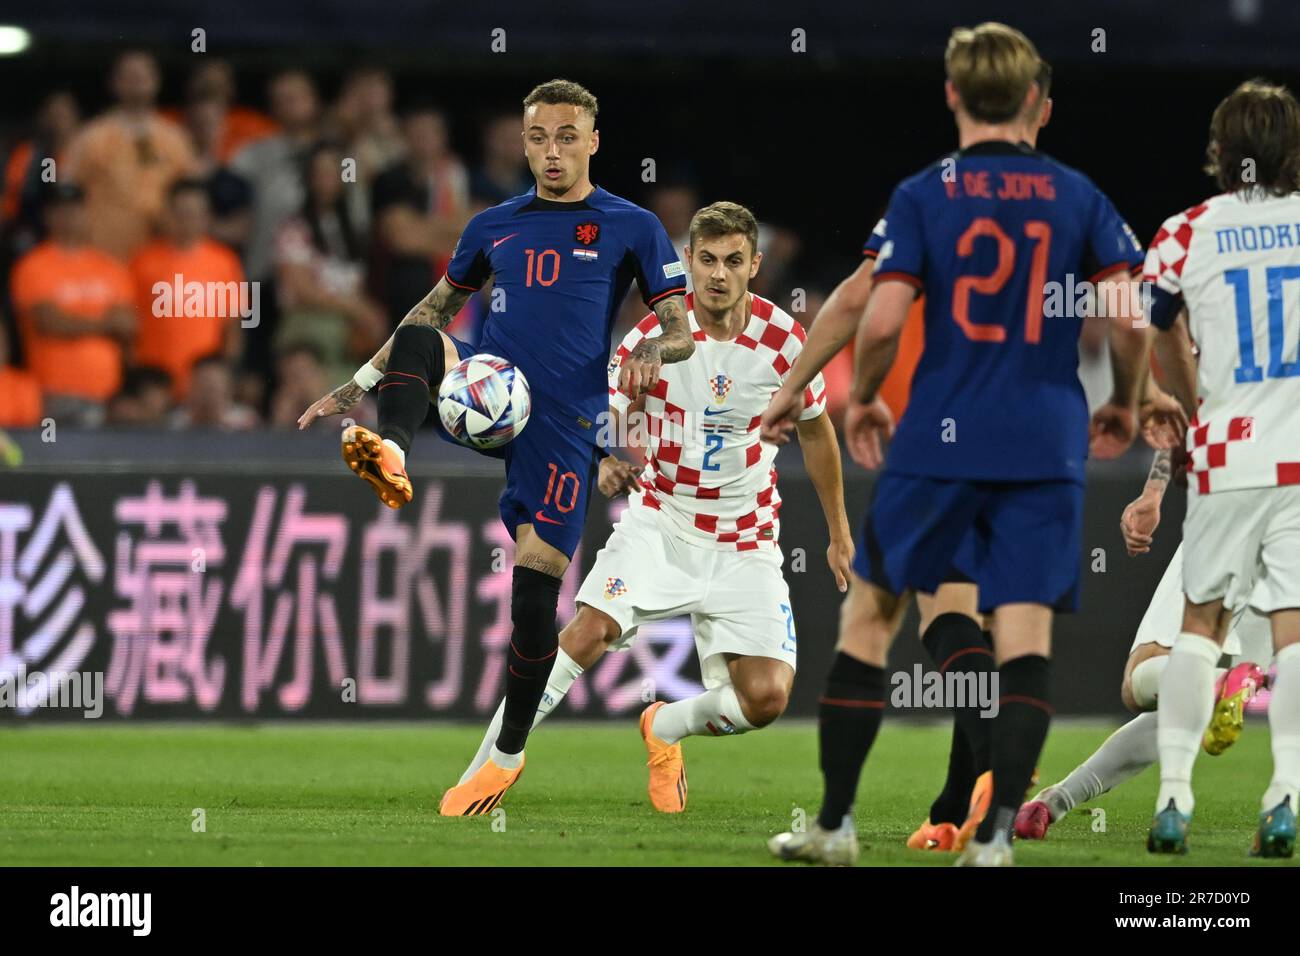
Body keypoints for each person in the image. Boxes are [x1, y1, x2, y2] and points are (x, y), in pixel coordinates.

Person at [762, 23, 1162, 866]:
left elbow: (872, 311)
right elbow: (1130, 319)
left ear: (951, 95)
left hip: (940, 436)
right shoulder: (1077, 195)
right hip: (1044, 443)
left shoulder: (925, 193)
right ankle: (992, 841)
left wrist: (846, 393)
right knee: (1023, 640)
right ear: (1031, 101)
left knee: (869, 621)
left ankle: (834, 825)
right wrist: (1126, 402)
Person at [297, 78, 693, 815]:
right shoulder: (493, 225)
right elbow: (431, 311)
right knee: (421, 334)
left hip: (565, 423)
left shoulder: (631, 225)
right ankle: (395, 453)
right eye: (539, 137)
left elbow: (679, 330)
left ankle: (504, 759)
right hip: (485, 390)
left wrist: (653, 359)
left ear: (594, 142)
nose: (551, 151)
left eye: (567, 137)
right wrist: (356, 385)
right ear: (524, 141)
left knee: (535, 590)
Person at [455, 202, 850, 812]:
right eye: (708, 260)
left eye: (734, 262)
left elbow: (819, 431)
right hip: (661, 520)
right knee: (586, 632)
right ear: (687, 261)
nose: (719, 274)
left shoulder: (784, 341)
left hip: (746, 538)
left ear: (756, 266)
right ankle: (488, 767)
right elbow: (606, 407)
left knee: (766, 699)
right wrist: (609, 454)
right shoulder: (653, 337)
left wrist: (837, 533)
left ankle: (664, 727)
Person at [1143, 79, 1300, 858]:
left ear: (1221, 150)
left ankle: (1173, 799)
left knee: (1198, 628)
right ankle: (1285, 798)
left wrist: (1195, 396)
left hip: (1226, 450)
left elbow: (1161, 330)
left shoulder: (1183, 234)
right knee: (1294, 633)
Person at [1016, 444, 1270, 840]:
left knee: (1143, 679)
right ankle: (1056, 801)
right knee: (1186, 706)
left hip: (1238, 502)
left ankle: (1221, 683)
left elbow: (1182, 413)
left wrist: (1153, 492)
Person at [9, 183, 135, 426]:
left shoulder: (109, 266)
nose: (68, 216)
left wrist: (75, 321)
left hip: (108, 392)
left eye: (75, 209)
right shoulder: (33, 265)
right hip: (54, 391)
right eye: (60, 210)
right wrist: (105, 323)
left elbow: (127, 324)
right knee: (57, 461)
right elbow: (49, 321)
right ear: (48, 216)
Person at [63, 50, 196, 261]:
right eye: (130, 77)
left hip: (162, 259)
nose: (137, 83)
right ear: (114, 83)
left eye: (143, 76)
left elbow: (191, 198)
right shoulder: (91, 137)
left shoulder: (175, 140)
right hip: (105, 255)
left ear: (156, 81)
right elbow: (68, 195)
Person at [273, 142, 387, 386]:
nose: (326, 180)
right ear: (309, 179)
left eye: (333, 172)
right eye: (319, 173)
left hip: (346, 335)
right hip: (307, 330)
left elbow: (358, 288)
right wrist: (358, 309)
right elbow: (302, 290)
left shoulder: (351, 234)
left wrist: (368, 317)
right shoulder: (294, 227)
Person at [130, 178, 246, 399]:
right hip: (155, 384)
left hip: (203, 384)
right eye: (181, 213)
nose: (188, 220)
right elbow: (130, 324)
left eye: (195, 213)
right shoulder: (142, 262)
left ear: (206, 217)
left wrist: (228, 374)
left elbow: (233, 327)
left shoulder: (225, 262)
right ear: (168, 215)